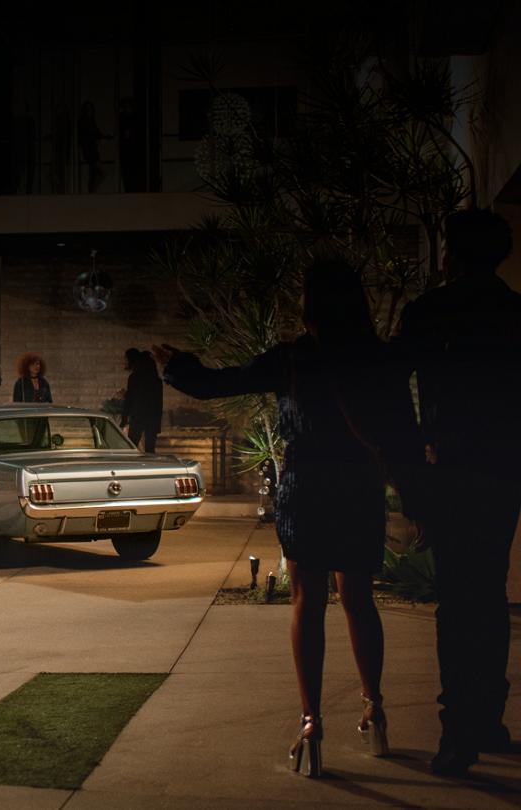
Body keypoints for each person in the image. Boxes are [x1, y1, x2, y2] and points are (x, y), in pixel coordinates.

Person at [154, 259, 429, 778]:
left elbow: (218, 385)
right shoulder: (377, 359)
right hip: (358, 487)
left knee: (307, 600)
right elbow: (403, 433)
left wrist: (177, 366)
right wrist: (414, 498)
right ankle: (375, 709)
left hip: (306, 487)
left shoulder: (294, 358)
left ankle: (311, 722)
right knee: (359, 599)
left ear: (310, 308)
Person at [393, 207, 521, 776]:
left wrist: (411, 462)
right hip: (502, 471)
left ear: (453, 253)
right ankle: (488, 718)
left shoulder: (431, 312)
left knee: (458, 602)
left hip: (451, 469)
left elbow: (394, 382)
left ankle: (458, 734)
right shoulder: (514, 313)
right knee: (488, 595)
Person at [120, 348, 163, 453]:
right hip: (152, 420)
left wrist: (124, 420)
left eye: (126, 358)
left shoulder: (134, 378)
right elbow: (158, 404)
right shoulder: (156, 380)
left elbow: (130, 401)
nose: (124, 361)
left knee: (131, 449)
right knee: (150, 450)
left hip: (138, 418)